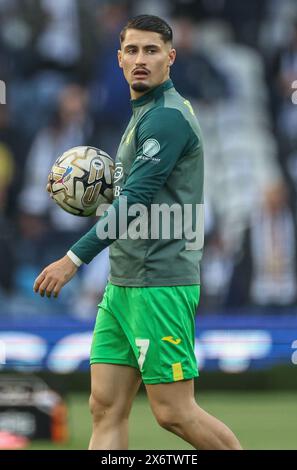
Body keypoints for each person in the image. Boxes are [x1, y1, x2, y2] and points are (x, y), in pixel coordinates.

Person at [33, 15, 242, 450]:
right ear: (119, 59)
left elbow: (134, 203)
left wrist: (73, 259)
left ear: (171, 56)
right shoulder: (144, 114)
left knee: (173, 413)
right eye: (132, 50)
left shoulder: (166, 118)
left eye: (151, 50)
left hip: (160, 282)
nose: (140, 59)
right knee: (104, 407)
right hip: (125, 282)